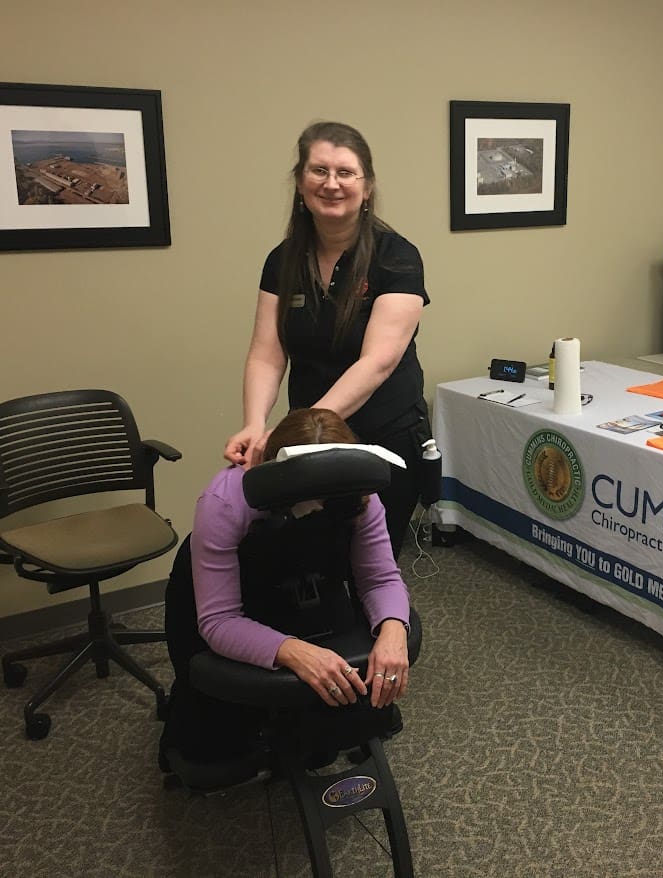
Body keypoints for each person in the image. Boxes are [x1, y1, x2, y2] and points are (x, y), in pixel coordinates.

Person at [162, 407, 411, 770]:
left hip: (311, 586)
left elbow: (379, 578)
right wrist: (292, 651)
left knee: (334, 717)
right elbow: (219, 620)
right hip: (240, 596)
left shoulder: (358, 493)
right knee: (221, 757)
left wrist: (393, 629)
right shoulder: (225, 503)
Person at [224, 121, 431, 558]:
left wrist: (298, 430)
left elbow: (378, 362)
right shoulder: (282, 261)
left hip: (384, 439)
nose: (332, 184)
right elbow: (266, 352)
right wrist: (255, 424)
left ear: (367, 186)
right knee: (313, 558)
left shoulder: (397, 257)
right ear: (300, 183)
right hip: (309, 443)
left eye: (345, 173)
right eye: (319, 171)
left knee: (372, 565)